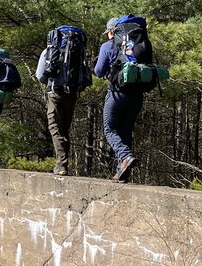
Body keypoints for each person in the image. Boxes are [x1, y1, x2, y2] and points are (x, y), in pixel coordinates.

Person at [94, 16, 158, 182]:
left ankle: (124, 157)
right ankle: (121, 172)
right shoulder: (141, 43)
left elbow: (99, 71)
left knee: (109, 129)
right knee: (125, 132)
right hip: (137, 95)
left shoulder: (108, 46)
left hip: (117, 94)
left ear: (112, 31)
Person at [35, 25, 91, 176]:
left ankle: (61, 165)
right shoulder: (80, 51)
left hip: (55, 92)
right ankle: (63, 164)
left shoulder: (49, 50)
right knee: (65, 128)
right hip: (72, 93)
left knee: (55, 127)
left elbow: (40, 76)